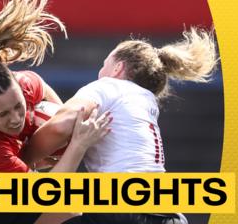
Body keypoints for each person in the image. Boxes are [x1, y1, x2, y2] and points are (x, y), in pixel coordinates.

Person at [0, 1, 112, 224]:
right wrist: (77, 144)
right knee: (72, 210)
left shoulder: (23, 85)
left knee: (76, 211)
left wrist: (62, 127)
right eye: (3, 114)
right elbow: (48, 192)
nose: (16, 118)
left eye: (18, 106)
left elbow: (42, 87)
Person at [24, 27, 218, 224]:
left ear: (117, 68)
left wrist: (23, 159)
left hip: (122, 210)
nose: (100, 72)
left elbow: (61, 125)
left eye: (104, 64)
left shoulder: (108, 85)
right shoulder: (146, 101)